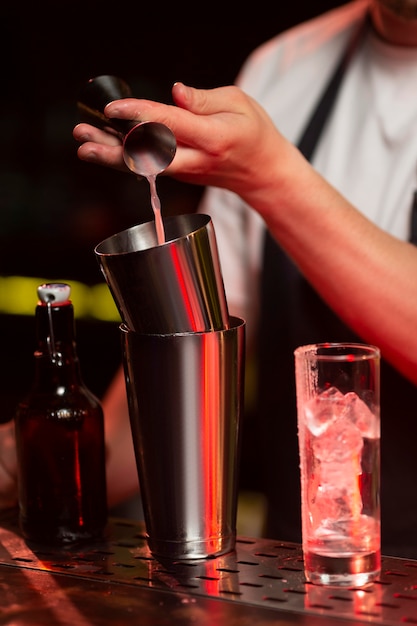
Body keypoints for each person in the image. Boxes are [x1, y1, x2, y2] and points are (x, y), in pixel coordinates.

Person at [2, 0, 417, 556]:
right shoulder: (286, 68)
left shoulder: (264, 135)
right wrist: (35, 456)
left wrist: (271, 176)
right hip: (305, 579)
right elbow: (181, 386)